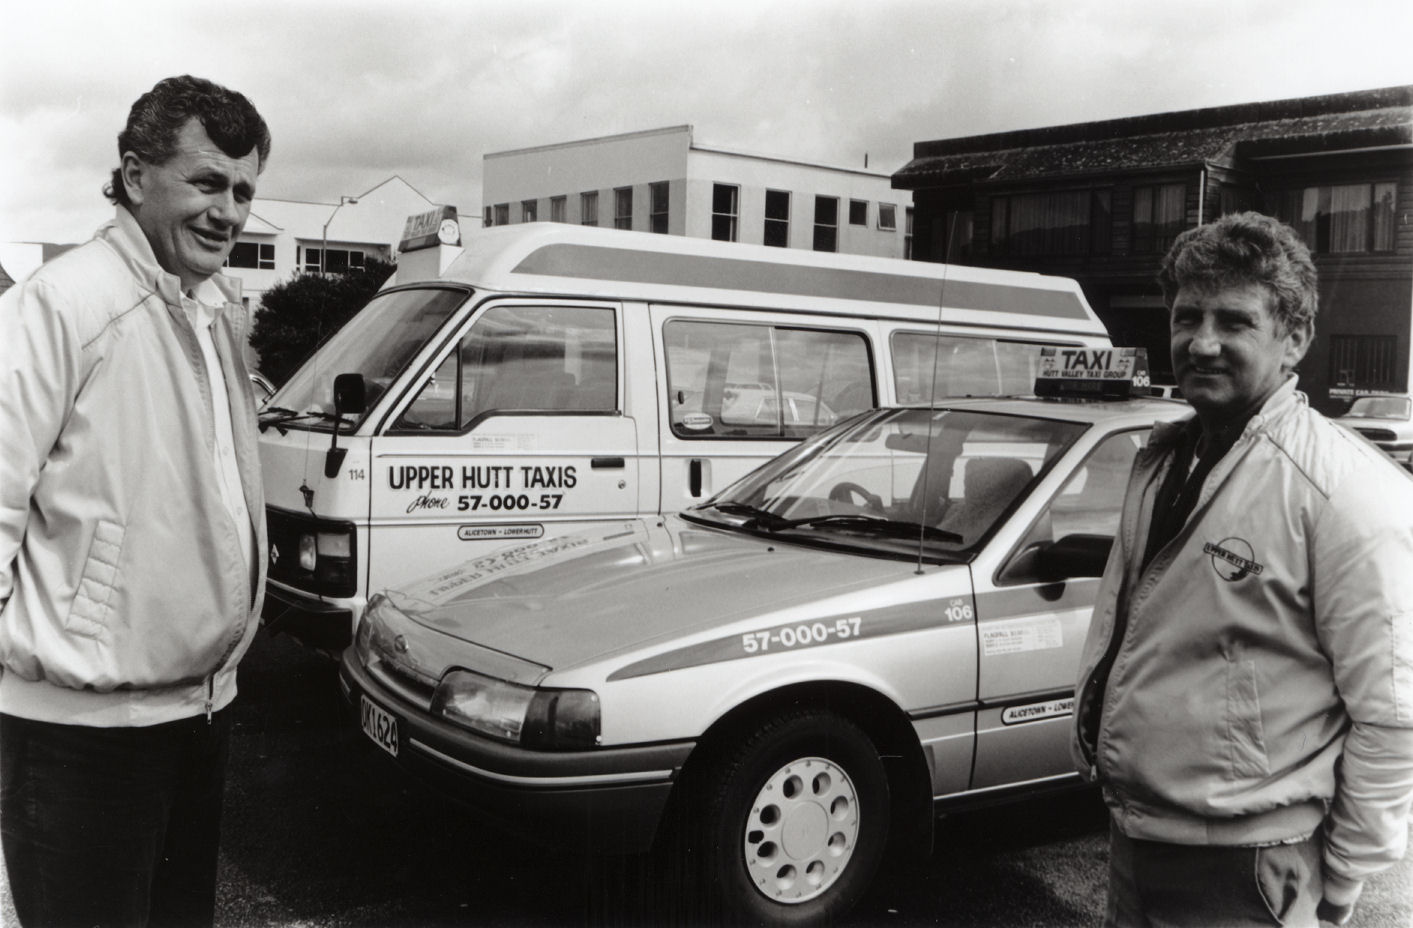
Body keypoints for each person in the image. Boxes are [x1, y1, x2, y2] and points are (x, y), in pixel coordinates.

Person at [1073, 211, 1413, 928]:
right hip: (1136, 841)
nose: (1201, 342)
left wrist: (1342, 879)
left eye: (1233, 321)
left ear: (1295, 338)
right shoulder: (1163, 458)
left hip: (1248, 868)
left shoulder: (1343, 491)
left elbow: (1392, 716)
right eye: (1186, 317)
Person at [0, 75, 270, 927]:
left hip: (196, 715)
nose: (228, 211)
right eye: (207, 182)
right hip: (80, 737)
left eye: (243, 191)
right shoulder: (62, 304)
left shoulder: (211, 312)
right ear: (132, 174)